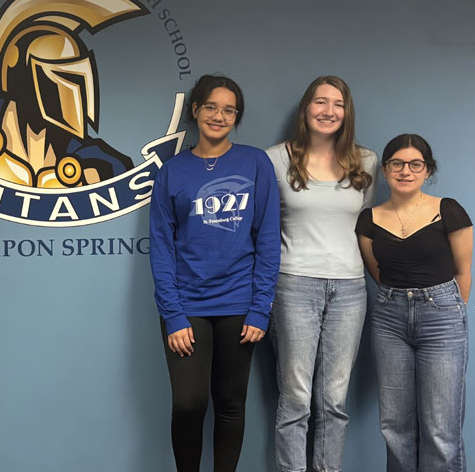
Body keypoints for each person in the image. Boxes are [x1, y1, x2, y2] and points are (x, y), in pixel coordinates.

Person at [149, 74, 280, 472]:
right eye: (211, 107)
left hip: (240, 305)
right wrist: (173, 315)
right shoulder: (173, 171)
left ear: (236, 117)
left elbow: (269, 240)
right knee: (189, 403)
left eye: (228, 110)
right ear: (195, 110)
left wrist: (260, 309)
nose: (219, 116)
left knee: (230, 404)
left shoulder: (256, 163)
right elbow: (160, 246)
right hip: (186, 306)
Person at [265, 76, 378, 472]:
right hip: (293, 284)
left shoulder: (366, 161)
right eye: (320, 102)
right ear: (305, 109)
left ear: (347, 113)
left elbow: (364, 224)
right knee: (295, 398)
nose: (328, 111)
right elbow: (262, 229)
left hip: (350, 288)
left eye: (338, 104)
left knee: (334, 400)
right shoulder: (275, 159)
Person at [356, 134, 471, 472]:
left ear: (427, 170)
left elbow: (463, 273)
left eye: (415, 164)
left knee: (441, 427)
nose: (406, 171)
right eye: (397, 164)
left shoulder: (448, 210)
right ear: (386, 169)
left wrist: (445, 309)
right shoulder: (368, 221)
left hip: (442, 317)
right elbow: (378, 273)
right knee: (395, 425)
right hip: (389, 319)